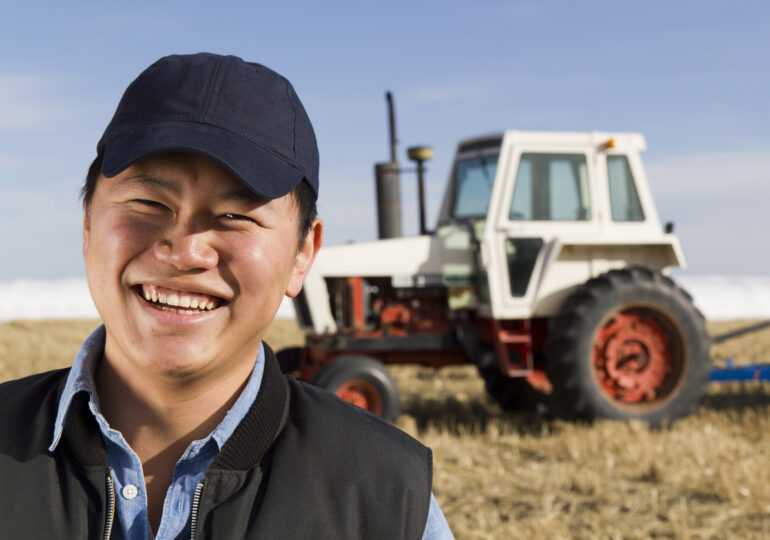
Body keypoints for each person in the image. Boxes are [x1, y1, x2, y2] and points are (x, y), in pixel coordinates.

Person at [0, 53, 453, 539]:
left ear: (303, 253)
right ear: (89, 225)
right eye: (149, 203)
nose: (185, 252)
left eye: (236, 216)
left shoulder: (385, 497)